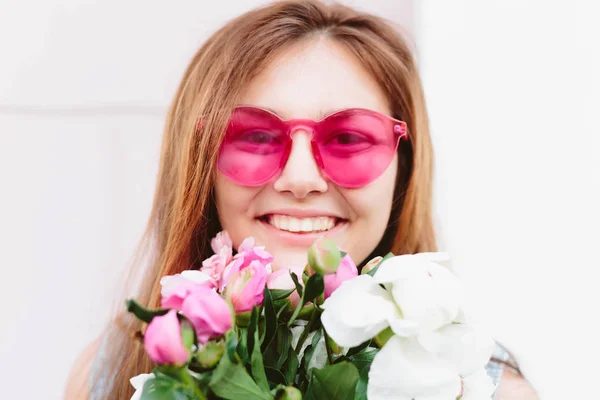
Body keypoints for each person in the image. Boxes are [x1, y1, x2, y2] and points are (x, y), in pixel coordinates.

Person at [65, 1, 538, 398]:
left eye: (350, 137)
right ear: (198, 164)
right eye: (253, 136)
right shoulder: (107, 379)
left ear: (404, 169)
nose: (300, 178)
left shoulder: (492, 392)